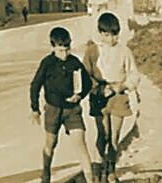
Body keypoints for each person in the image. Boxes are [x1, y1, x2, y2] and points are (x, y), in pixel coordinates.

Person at [30, 26, 93, 183]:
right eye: (60, 50)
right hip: (53, 110)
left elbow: (87, 83)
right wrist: (35, 109)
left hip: (72, 110)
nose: (64, 54)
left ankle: (91, 179)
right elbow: (35, 86)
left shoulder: (75, 62)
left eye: (67, 49)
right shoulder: (47, 63)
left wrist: (79, 96)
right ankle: (46, 174)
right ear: (53, 47)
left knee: (81, 143)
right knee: (51, 143)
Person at [83, 12, 140, 183]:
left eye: (114, 35)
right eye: (107, 35)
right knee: (103, 133)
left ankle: (111, 169)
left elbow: (133, 75)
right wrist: (98, 88)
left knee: (114, 136)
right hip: (99, 96)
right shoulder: (92, 51)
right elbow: (85, 75)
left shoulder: (124, 51)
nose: (111, 39)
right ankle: (98, 168)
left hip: (118, 96)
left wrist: (121, 86)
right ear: (100, 33)